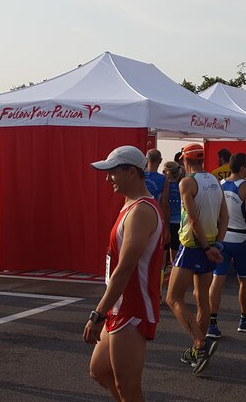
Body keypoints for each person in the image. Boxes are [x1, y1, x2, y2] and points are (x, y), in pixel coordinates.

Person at [85, 146, 164, 401]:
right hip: (120, 305)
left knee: (127, 386)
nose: (108, 178)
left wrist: (98, 312)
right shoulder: (130, 206)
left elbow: (126, 267)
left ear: (131, 173)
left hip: (133, 307)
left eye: (112, 172)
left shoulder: (141, 210)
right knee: (99, 371)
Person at [165, 143, 228, 375]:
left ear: (184, 160)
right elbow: (225, 216)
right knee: (201, 300)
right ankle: (195, 351)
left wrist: (204, 247)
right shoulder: (214, 181)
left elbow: (192, 220)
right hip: (210, 243)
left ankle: (200, 344)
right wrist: (216, 245)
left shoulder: (187, 182)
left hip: (192, 245)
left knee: (173, 298)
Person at [207, 153, 246, 339]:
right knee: (245, 280)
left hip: (222, 238)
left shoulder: (220, 185)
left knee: (218, 279)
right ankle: (245, 319)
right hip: (241, 239)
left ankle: (212, 322)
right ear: (241, 168)